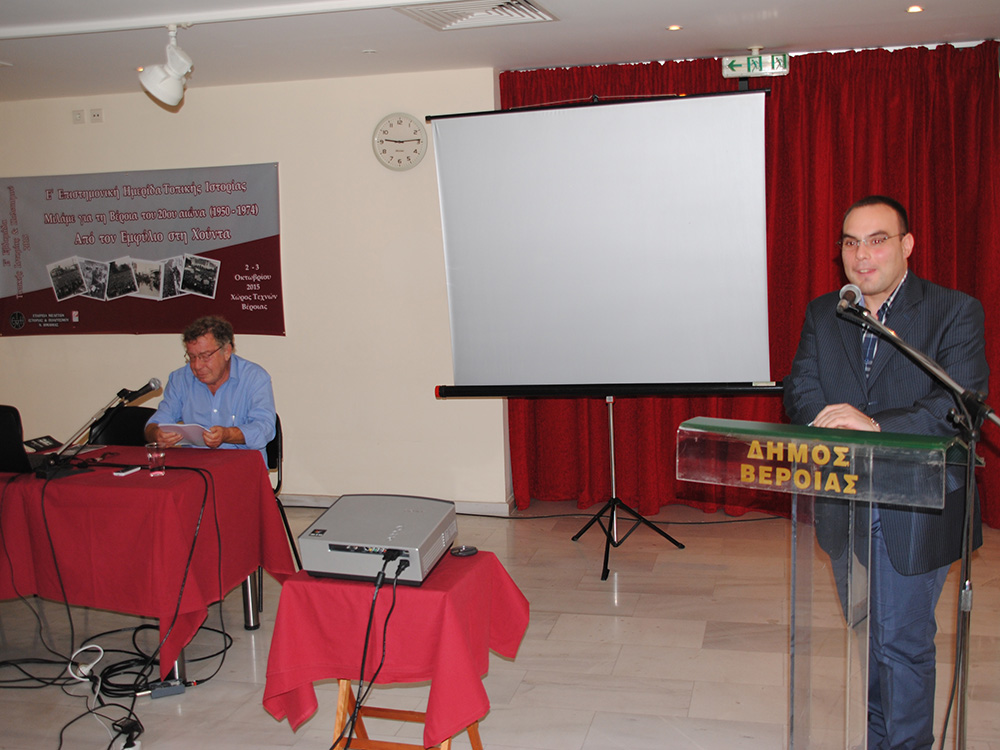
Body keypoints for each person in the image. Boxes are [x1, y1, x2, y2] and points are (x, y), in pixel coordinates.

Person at [783, 195, 989, 750]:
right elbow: (801, 390)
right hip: (843, 500)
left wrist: (873, 425)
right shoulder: (826, 312)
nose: (861, 255)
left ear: (907, 245)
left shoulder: (953, 310)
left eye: (877, 241)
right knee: (871, 639)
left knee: (902, 643)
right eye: (851, 243)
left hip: (914, 505)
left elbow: (958, 407)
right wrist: (829, 422)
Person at [145, 315, 276, 461]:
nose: (197, 366)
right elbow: (155, 423)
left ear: (226, 351)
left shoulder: (254, 377)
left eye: (205, 356)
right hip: (195, 464)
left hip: (242, 463)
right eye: (192, 357)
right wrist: (156, 434)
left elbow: (265, 428)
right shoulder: (180, 379)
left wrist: (228, 434)